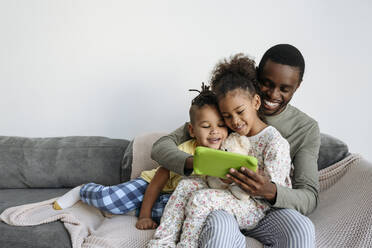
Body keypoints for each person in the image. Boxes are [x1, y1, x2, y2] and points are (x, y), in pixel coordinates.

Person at [151, 44, 320, 248]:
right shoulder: (227, 105)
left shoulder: (304, 129)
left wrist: (270, 190)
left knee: (301, 229)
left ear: (297, 86)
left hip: (265, 207)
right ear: (256, 76)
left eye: (284, 88)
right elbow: (161, 147)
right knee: (216, 224)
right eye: (266, 83)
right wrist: (201, 164)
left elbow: (309, 196)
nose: (273, 94)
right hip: (223, 199)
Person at [52, 84, 228, 230]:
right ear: (191, 130)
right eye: (206, 126)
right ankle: (84, 190)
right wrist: (144, 216)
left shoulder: (229, 153)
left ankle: (128, 209)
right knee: (110, 200)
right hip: (148, 185)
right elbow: (157, 181)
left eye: (221, 125)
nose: (214, 131)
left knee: (182, 214)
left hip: (171, 197)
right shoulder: (185, 149)